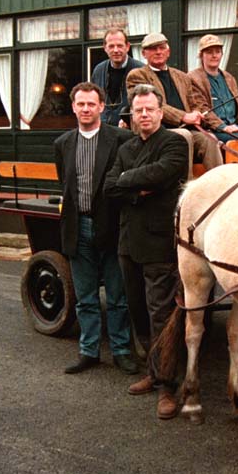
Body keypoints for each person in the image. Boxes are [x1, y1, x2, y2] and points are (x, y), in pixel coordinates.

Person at [103, 84, 188, 419]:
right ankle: (152, 373)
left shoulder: (174, 143)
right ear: (133, 114)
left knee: (162, 315)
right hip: (128, 244)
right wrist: (138, 190)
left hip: (158, 244)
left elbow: (164, 174)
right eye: (138, 111)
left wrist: (127, 181)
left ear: (160, 110)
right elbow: (110, 187)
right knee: (137, 310)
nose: (144, 115)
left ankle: (168, 385)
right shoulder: (127, 147)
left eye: (150, 109)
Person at [55, 82, 137, 375]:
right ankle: (88, 351)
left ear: (102, 107)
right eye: (81, 104)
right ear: (73, 107)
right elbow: (66, 187)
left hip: (112, 227)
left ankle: (121, 351)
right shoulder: (62, 144)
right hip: (78, 229)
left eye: (92, 104)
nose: (86, 109)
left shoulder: (121, 139)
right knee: (86, 297)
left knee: (117, 297)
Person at [125, 32, 223, 178]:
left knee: (210, 139)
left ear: (168, 51)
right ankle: (184, 190)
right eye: (153, 49)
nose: (158, 52)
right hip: (155, 131)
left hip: (186, 129)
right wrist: (184, 117)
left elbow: (193, 103)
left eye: (161, 48)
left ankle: (219, 185)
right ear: (144, 53)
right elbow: (153, 105)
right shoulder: (137, 75)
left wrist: (196, 114)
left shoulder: (182, 76)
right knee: (184, 136)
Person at [91, 29, 145, 126]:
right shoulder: (98, 70)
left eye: (120, 46)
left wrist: (129, 120)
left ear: (127, 47)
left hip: (130, 130)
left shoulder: (141, 70)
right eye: (111, 46)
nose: (116, 50)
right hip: (103, 129)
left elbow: (146, 103)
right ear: (105, 48)